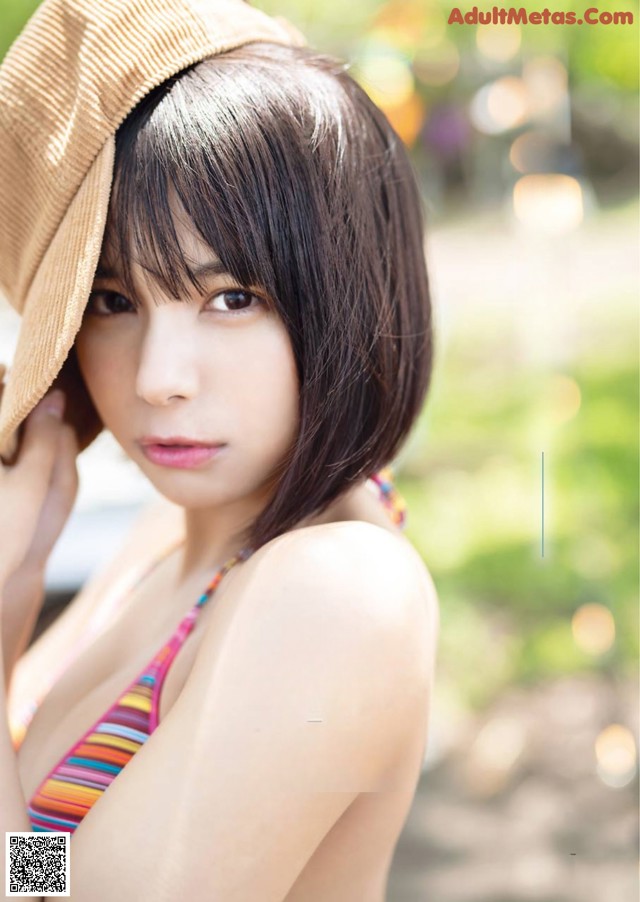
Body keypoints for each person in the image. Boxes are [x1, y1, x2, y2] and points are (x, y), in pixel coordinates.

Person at [0, 0, 439, 898]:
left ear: (347, 294)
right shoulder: (167, 536)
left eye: (232, 297)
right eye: (114, 301)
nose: (159, 378)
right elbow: (43, 868)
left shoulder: (337, 590)